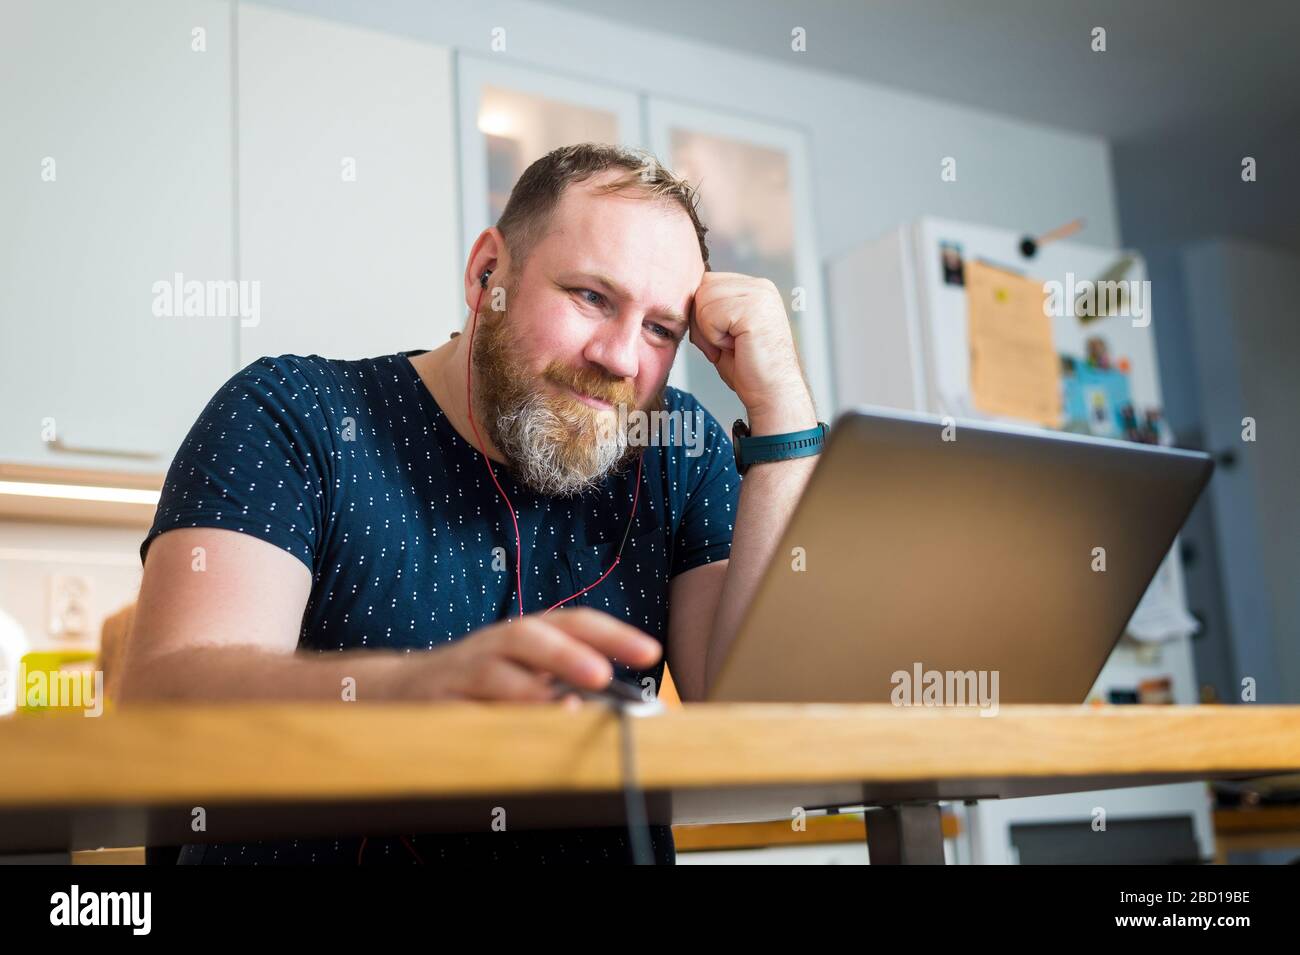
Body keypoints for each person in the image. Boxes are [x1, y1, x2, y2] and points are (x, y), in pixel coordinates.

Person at [120, 143, 823, 864]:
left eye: (660, 330)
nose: (619, 357)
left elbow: (766, 732)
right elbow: (160, 703)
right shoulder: (296, 416)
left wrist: (782, 407)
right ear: (488, 272)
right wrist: (408, 690)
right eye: (591, 297)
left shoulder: (677, 450)